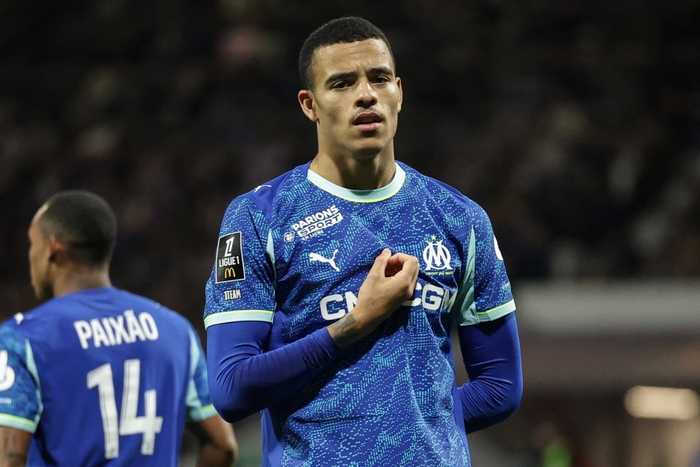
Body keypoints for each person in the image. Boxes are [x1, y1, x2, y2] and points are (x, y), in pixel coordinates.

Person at [205, 16, 522, 466]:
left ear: (399, 92)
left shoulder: (460, 218)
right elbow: (231, 388)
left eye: (379, 78)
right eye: (341, 83)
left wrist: (406, 428)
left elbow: (500, 385)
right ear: (310, 105)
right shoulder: (259, 218)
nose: (366, 94)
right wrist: (354, 324)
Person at [0, 191, 238, 467]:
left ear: (53, 248)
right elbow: (223, 446)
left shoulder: (23, 340)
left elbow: (10, 456)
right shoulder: (175, 331)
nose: (31, 255)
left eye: (32, 244)